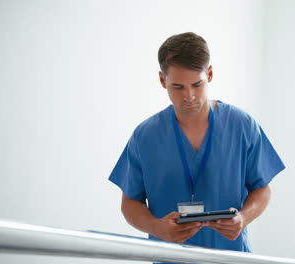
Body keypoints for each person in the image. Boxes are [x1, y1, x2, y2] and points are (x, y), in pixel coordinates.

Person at [108, 32, 285, 261]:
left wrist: (243, 218)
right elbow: (130, 202)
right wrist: (156, 227)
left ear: (209, 74)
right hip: (169, 258)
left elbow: (262, 189)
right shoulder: (145, 136)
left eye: (197, 84)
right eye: (178, 86)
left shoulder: (242, 125)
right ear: (163, 81)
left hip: (229, 257)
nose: (189, 96)